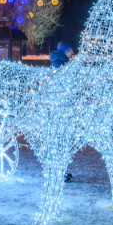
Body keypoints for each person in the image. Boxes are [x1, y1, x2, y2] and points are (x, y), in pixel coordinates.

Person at [50, 41, 75, 182]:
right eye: (71, 50)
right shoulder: (60, 65)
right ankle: (59, 172)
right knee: (60, 143)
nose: (73, 52)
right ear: (65, 51)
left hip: (61, 109)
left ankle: (62, 171)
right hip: (59, 110)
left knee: (61, 143)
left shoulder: (61, 63)